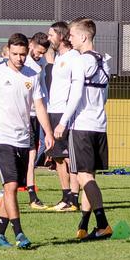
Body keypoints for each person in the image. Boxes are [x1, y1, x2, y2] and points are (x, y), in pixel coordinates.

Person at [0, 33, 54, 249]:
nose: (19, 58)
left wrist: (49, 133)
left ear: (28, 52)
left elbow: (39, 106)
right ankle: (20, 233)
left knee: (11, 190)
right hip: (1, 138)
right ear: (8, 51)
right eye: (15, 54)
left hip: (23, 140)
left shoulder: (33, 74)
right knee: (11, 186)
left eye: (23, 54)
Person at [57, 18, 113, 240]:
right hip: (99, 125)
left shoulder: (80, 62)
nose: (68, 38)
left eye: (71, 34)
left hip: (82, 126)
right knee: (89, 177)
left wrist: (63, 121)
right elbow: (105, 96)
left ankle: (103, 223)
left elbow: (76, 94)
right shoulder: (104, 61)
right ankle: (84, 225)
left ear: (83, 37)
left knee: (83, 177)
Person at [45, 21, 83, 211]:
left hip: (64, 114)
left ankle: (75, 199)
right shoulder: (58, 58)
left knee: (70, 158)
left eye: (51, 34)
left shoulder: (73, 57)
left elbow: (75, 90)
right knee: (58, 158)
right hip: (53, 111)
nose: (48, 38)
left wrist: (64, 119)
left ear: (61, 36)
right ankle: (65, 196)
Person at [22, 32, 50, 209]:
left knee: (32, 153)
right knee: (26, 155)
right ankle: (28, 193)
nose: (39, 55)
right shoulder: (24, 62)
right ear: (31, 44)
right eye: (38, 51)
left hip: (36, 114)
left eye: (43, 52)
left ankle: (31, 194)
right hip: (23, 115)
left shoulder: (42, 62)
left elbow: (43, 88)